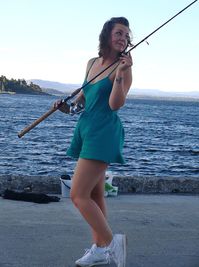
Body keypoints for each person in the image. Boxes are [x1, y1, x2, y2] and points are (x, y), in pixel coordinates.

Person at [54, 17, 133, 267]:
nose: (123, 38)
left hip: (104, 132)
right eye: (119, 33)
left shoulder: (124, 68)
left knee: (78, 195)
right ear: (107, 34)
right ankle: (99, 249)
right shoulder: (91, 63)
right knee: (96, 194)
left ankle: (111, 242)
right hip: (86, 129)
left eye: (126, 35)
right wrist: (66, 107)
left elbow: (114, 105)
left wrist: (120, 74)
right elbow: (83, 99)